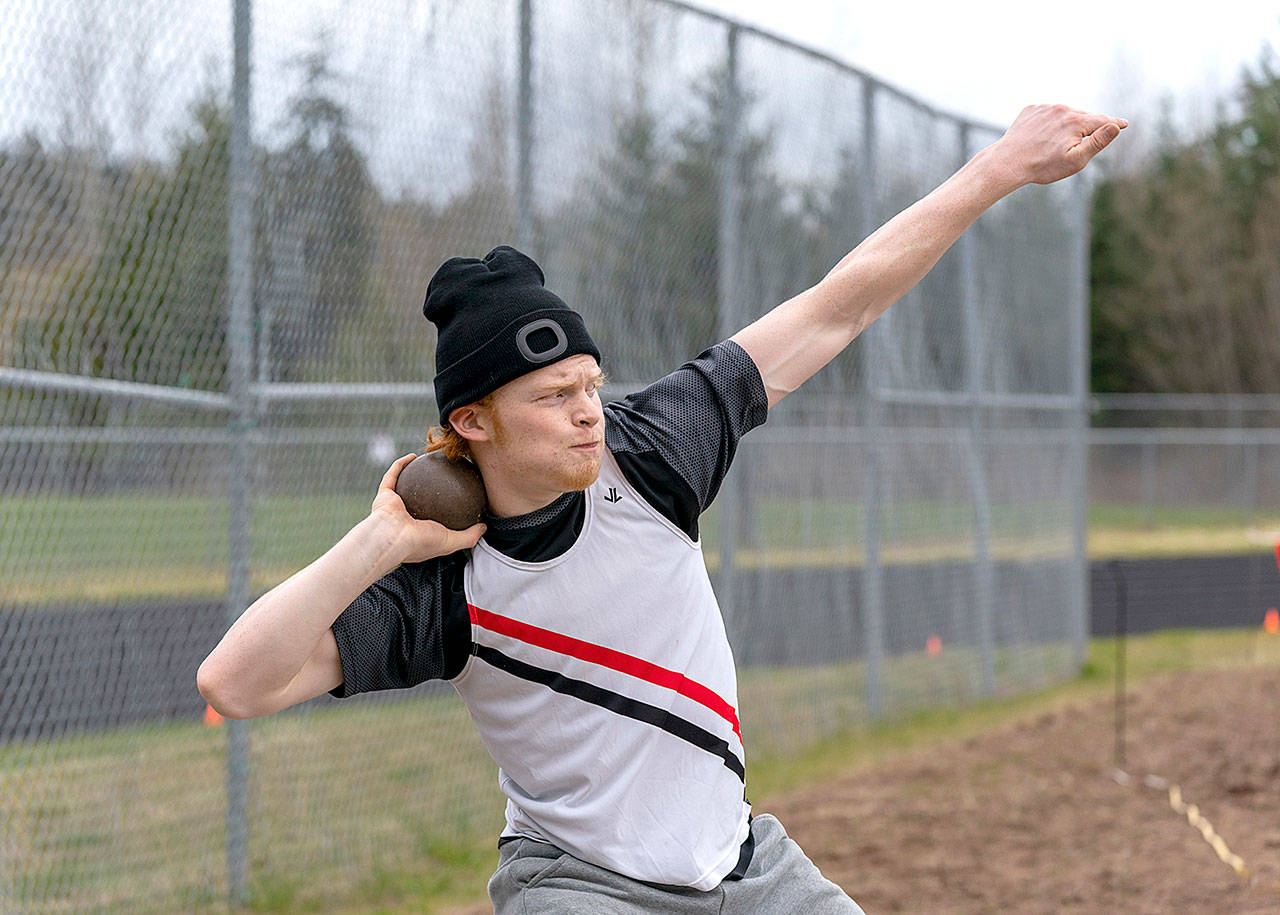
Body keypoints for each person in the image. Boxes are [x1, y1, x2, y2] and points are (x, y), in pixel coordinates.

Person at [198, 103, 1126, 913]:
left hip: (742, 865)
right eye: (553, 394)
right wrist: (376, 542)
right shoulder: (445, 584)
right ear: (472, 420)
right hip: (579, 885)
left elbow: (837, 308)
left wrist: (1001, 169)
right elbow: (234, 684)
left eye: (590, 381)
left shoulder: (649, 450)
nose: (587, 410)